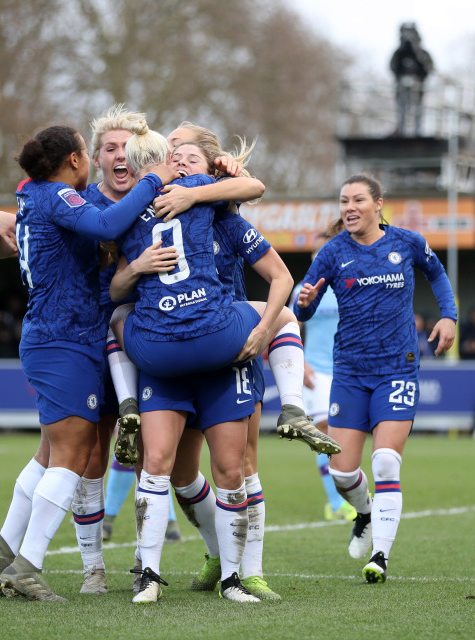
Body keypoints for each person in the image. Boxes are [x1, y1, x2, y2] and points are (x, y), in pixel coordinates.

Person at [0, 106, 184, 598]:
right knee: (73, 455)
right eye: (98, 150)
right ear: (76, 159)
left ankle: (3, 549)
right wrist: (155, 181)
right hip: (66, 339)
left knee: (50, 453)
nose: (108, 157)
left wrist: (0, 217)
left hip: (61, 337)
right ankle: (27, 567)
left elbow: (18, 235)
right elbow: (108, 222)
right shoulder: (63, 196)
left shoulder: (36, 196)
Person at [109, 130, 296, 603]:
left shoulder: (220, 208)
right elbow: (114, 282)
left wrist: (262, 331)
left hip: (226, 350)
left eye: (188, 151)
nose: (177, 155)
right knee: (176, 472)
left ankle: (247, 573)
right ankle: (209, 556)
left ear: (211, 166)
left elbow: (254, 191)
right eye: (172, 151)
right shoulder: (157, 201)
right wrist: (136, 266)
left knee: (239, 466)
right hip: (186, 346)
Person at [294, 174, 457, 584]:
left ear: (378, 204)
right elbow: (304, 312)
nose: (349, 207)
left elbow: (437, 275)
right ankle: (365, 514)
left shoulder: (407, 243)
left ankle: (381, 556)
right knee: (342, 473)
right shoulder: (331, 253)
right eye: (344, 200)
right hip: (349, 373)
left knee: (385, 461)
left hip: (397, 368)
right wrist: (306, 304)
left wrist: (449, 316)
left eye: (358, 200)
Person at [296, 232, 356, 522]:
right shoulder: (303, 289)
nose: (317, 257)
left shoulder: (349, 286)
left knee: (345, 437)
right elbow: (289, 327)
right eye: (314, 253)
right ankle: (335, 503)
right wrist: (301, 361)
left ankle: (346, 495)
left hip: (347, 370)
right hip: (316, 371)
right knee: (325, 435)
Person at [389, 22, 433, 137]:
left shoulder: (422, 53)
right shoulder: (398, 54)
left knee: (418, 109)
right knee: (402, 108)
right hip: (402, 88)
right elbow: (393, 67)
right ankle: (402, 129)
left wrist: (417, 54)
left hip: (418, 89)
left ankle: (418, 130)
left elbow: (428, 68)